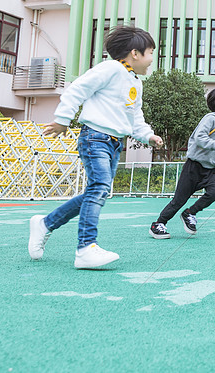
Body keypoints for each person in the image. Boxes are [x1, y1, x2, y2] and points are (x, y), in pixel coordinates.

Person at [28, 25, 163, 269]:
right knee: (99, 188)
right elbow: (78, 88)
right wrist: (62, 119)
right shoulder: (110, 69)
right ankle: (85, 248)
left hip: (113, 143)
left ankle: (46, 223)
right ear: (135, 53)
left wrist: (148, 135)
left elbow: (135, 115)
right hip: (95, 137)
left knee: (96, 191)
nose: (153, 59)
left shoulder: (134, 81)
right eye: (151, 52)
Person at [150, 88, 215, 238]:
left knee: (214, 193)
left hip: (210, 170)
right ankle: (158, 224)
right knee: (179, 200)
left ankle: (190, 213)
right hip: (194, 167)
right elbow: (200, 137)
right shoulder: (211, 118)